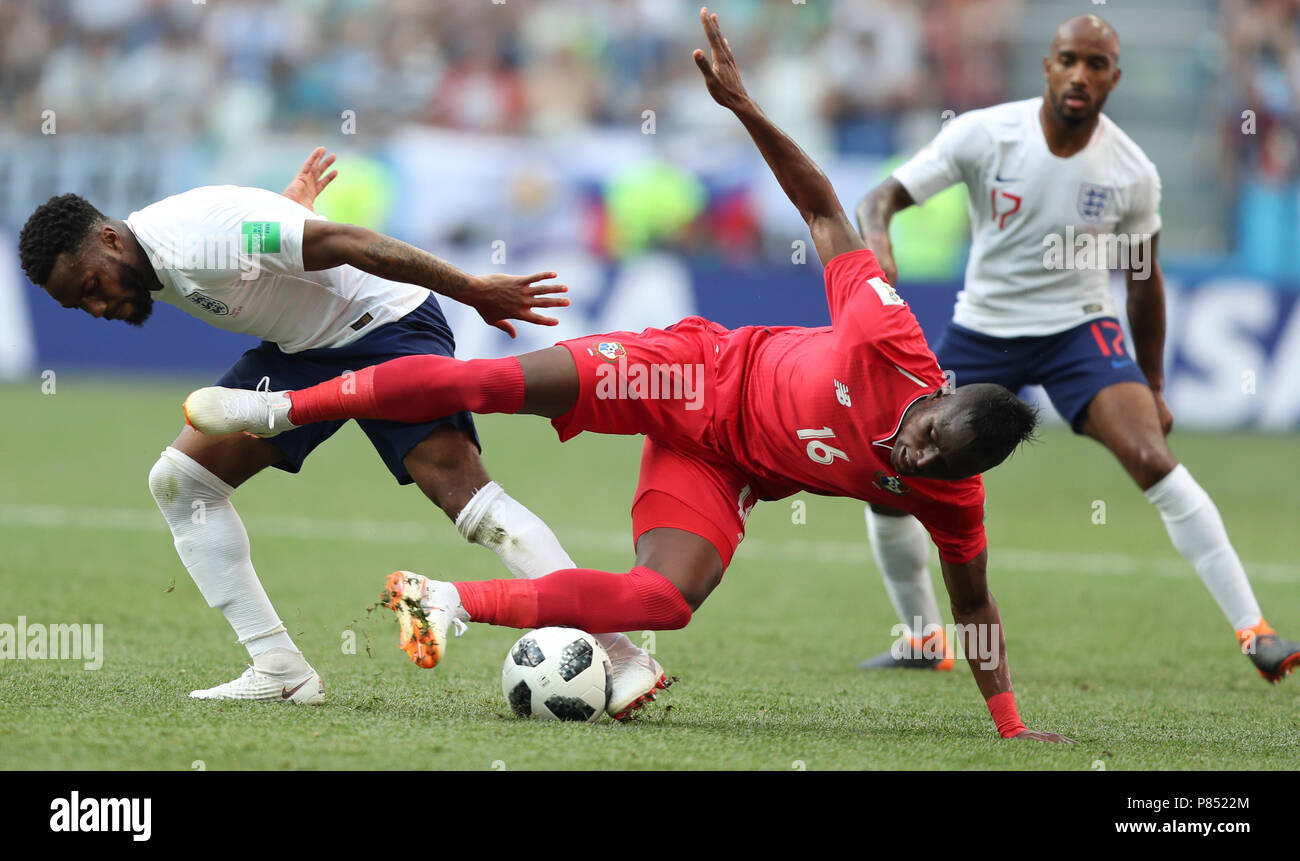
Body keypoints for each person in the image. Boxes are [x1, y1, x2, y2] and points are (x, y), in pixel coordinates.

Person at [185, 8, 1073, 742]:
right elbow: (821, 207)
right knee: (489, 384)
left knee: (667, 601)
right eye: (924, 431)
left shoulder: (952, 498)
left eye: (928, 463)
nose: (909, 452)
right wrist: (744, 106)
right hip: (688, 373)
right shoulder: (889, 335)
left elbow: (976, 605)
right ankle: (282, 407)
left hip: (721, 468)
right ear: (943, 390)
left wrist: (1009, 722)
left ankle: (447, 601)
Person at [17, 149, 668, 717]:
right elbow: (263, 239)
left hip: (385, 325)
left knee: (464, 496)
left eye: (94, 287)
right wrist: (288, 209)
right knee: (181, 482)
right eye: (82, 306)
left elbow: (350, 243)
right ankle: (279, 669)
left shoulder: (195, 242)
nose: (99, 308)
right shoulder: (166, 253)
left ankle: (619, 648)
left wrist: (473, 289)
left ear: (107, 238)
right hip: (302, 346)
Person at [853, 13, 1300, 682]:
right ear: (1048, 66)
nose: (1080, 75)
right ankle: (922, 638)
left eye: (1096, 65)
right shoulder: (984, 134)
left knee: (1152, 457)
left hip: (1078, 332)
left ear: (1115, 77)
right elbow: (880, 196)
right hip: (983, 329)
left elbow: (1144, 283)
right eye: (1069, 59)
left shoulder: (1131, 172)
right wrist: (880, 241)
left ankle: (1255, 629)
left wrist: (1151, 382)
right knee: (890, 474)